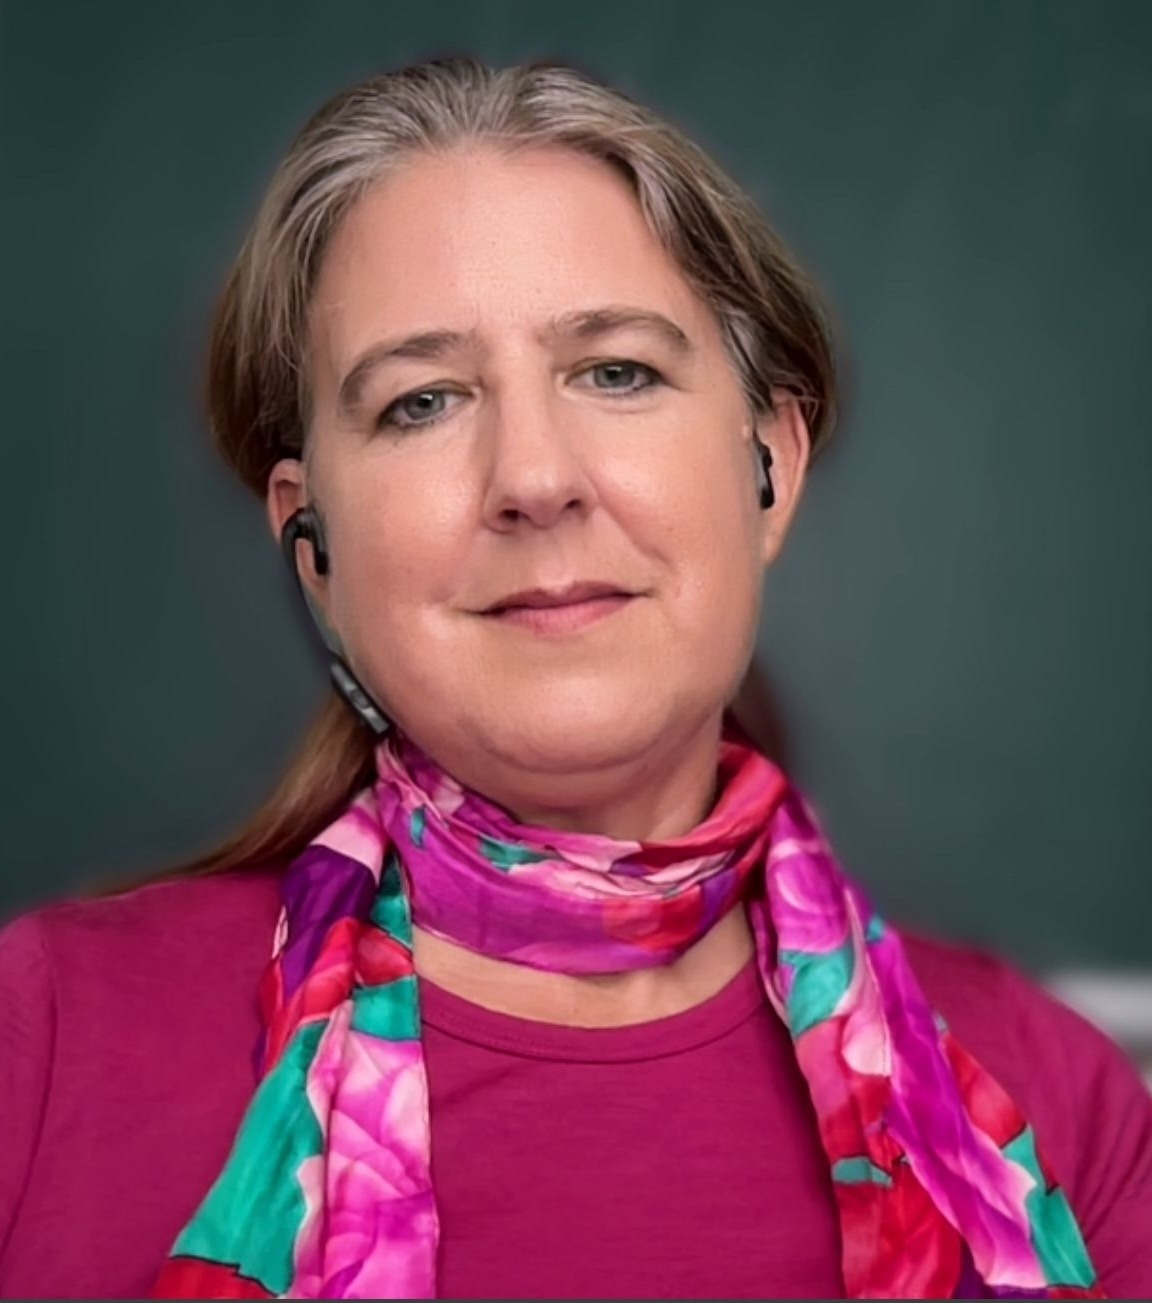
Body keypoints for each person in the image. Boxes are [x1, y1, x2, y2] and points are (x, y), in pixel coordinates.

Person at [0, 56, 1148, 1301]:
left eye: (617, 372)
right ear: (314, 546)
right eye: (422, 401)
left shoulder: (1064, 1104)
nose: (534, 477)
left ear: (768, 463)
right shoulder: (43, 1043)